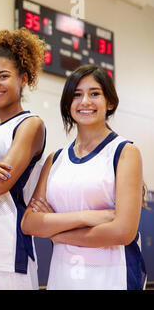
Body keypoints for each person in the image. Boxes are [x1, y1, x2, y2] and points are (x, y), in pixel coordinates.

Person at [21, 64, 147, 290]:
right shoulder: (55, 159)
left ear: (110, 102)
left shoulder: (125, 152)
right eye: (77, 95)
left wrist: (58, 234)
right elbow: (29, 223)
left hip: (113, 275)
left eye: (95, 93)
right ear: (68, 104)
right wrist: (88, 217)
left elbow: (123, 232)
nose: (85, 101)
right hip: (62, 275)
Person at [0, 28, 46, 290]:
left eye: (3, 76)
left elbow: (0, 184)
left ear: (23, 79)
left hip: (9, 250)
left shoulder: (30, 124)